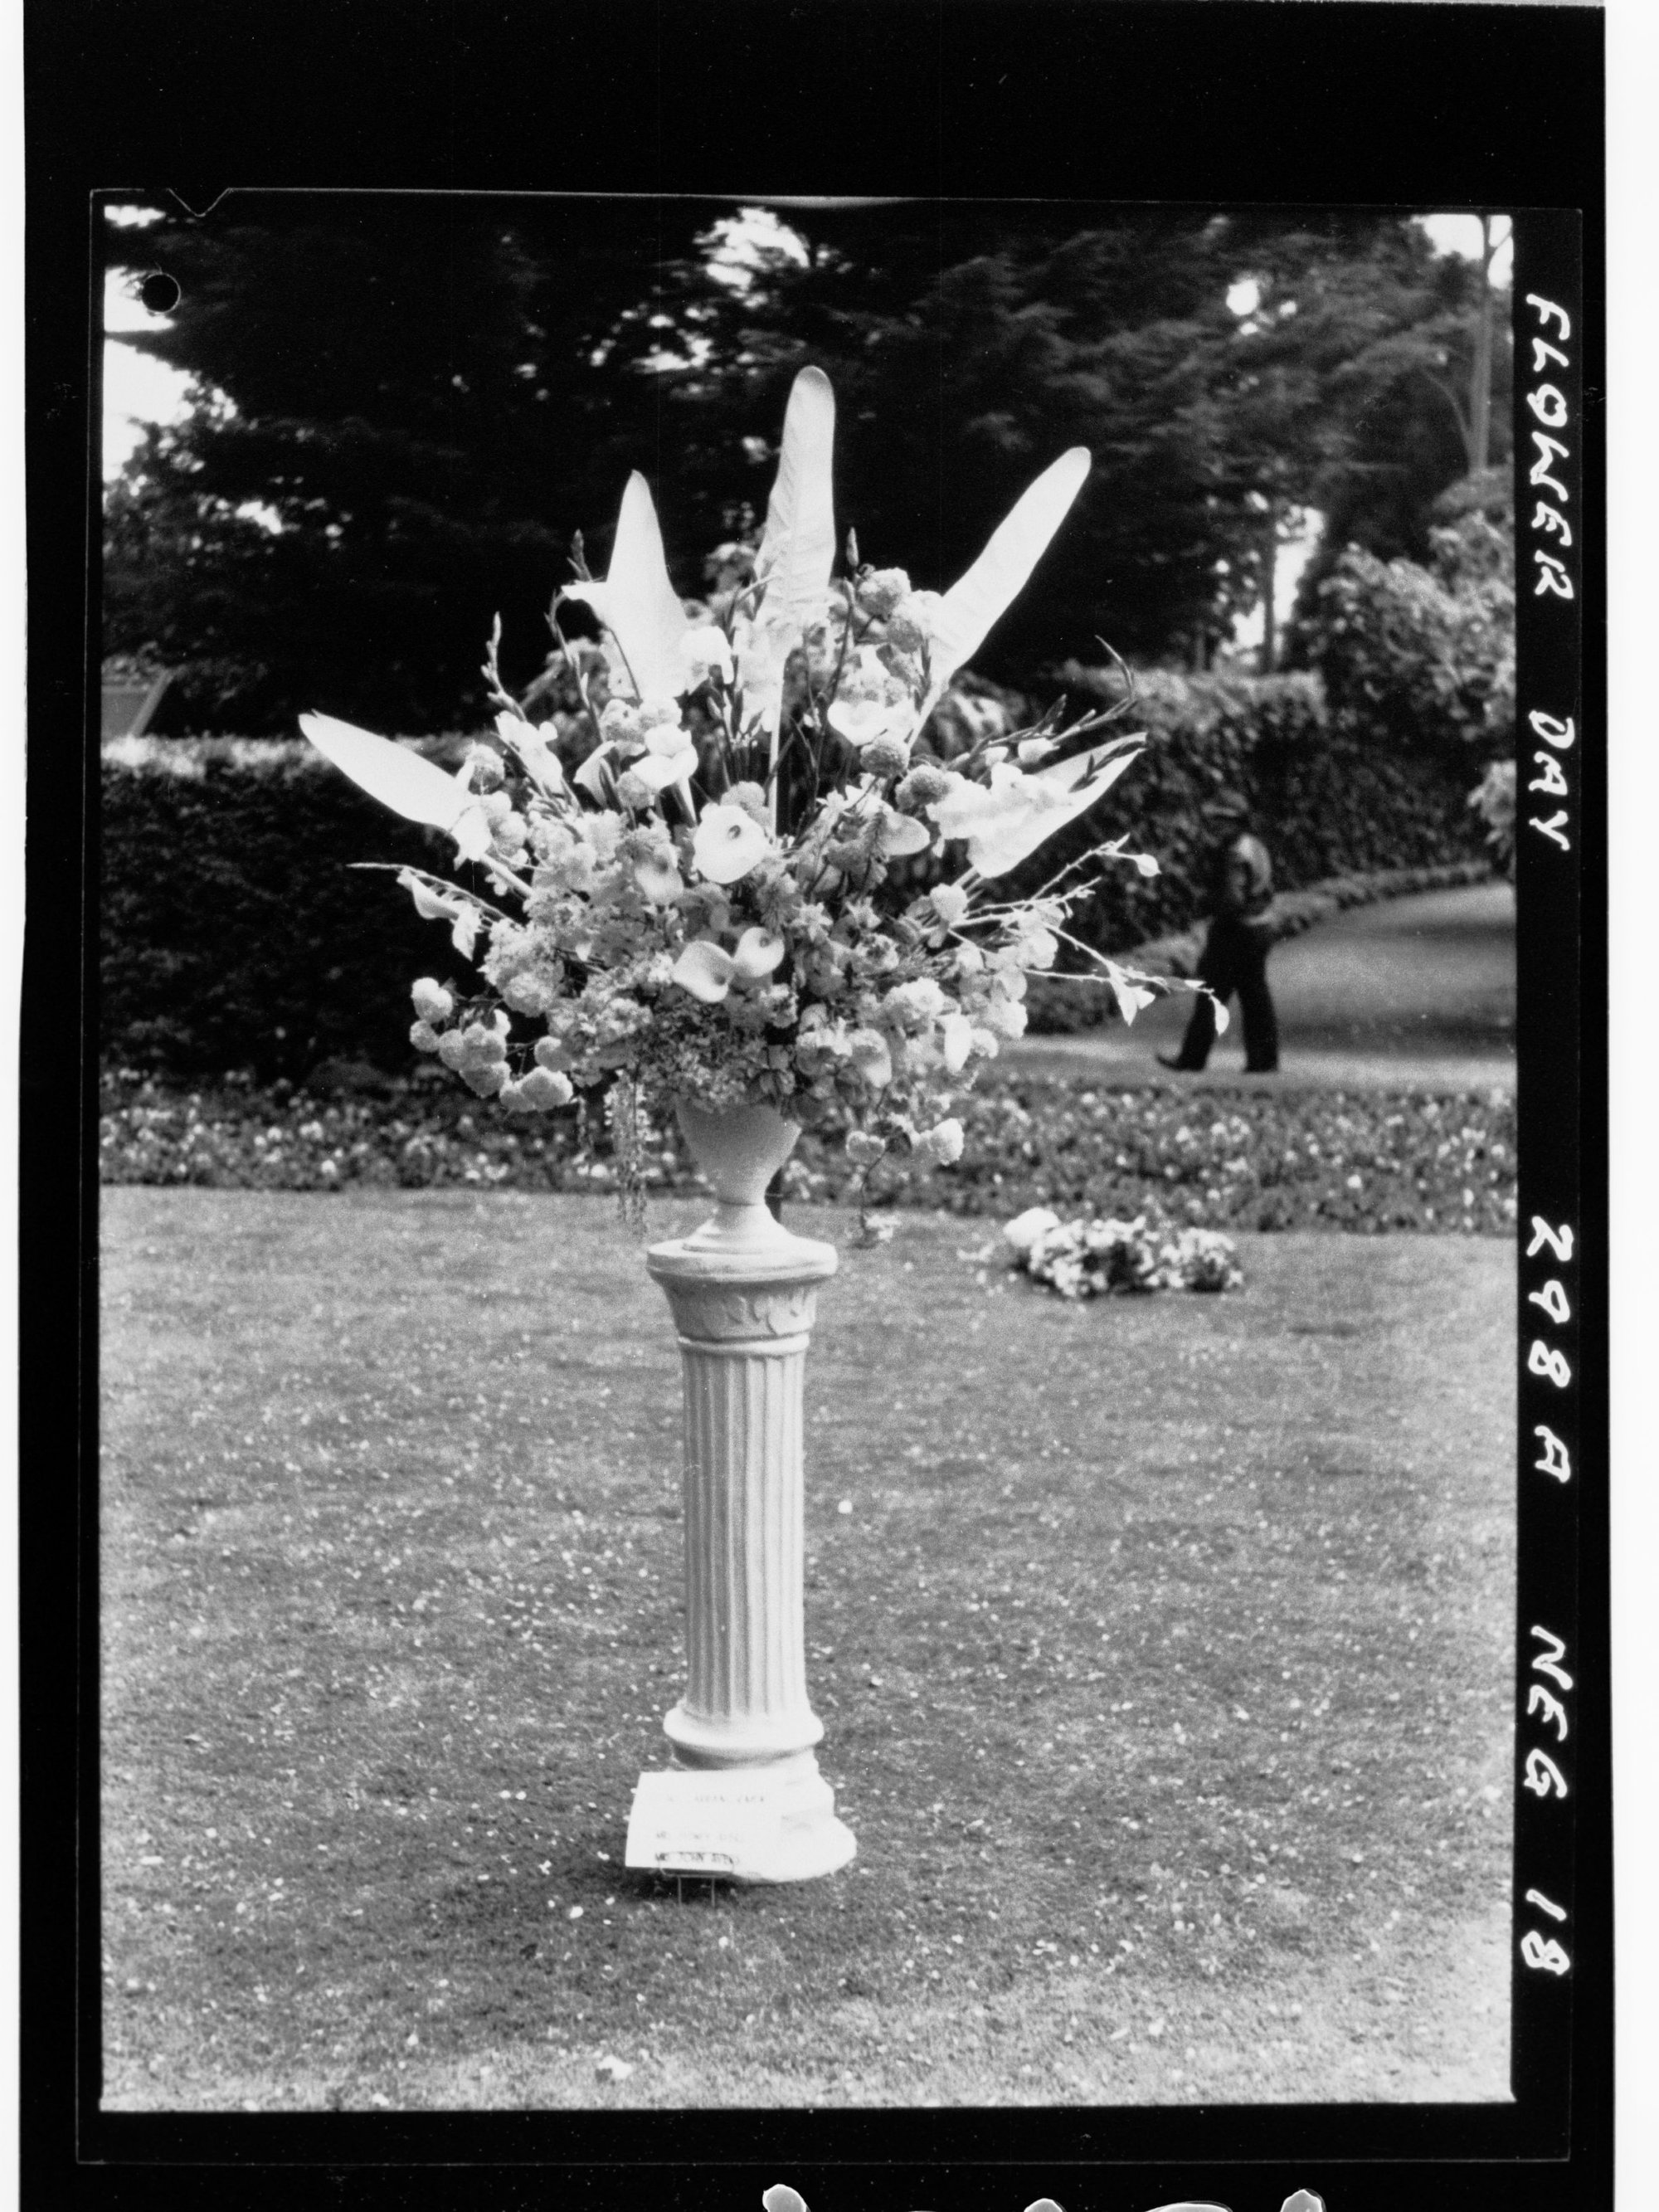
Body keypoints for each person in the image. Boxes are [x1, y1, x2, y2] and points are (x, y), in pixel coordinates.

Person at [1159, 792, 1280, 1074]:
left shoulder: (1235, 852)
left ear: (1233, 822)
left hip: (1237, 932)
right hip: (1260, 927)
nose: (1214, 827)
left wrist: (1204, 904)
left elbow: (1233, 899)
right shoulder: (1255, 845)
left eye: (1219, 821)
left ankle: (1191, 1059)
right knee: (1255, 997)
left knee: (1212, 996)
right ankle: (1264, 1062)